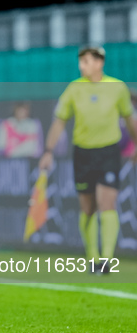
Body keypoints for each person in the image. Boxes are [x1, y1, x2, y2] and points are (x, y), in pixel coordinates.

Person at [39, 46, 137, 274]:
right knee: (88, 208)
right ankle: (92, 257)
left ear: (99, 62)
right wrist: (48, 150)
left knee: (107, 204)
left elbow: (129, 118)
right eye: (80, 61)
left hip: (108, 152)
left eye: (86, 61)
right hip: (83, 153)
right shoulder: (74, 88)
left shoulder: (117, 88)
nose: (81, 66)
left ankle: (107, 259)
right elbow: (59, 121)